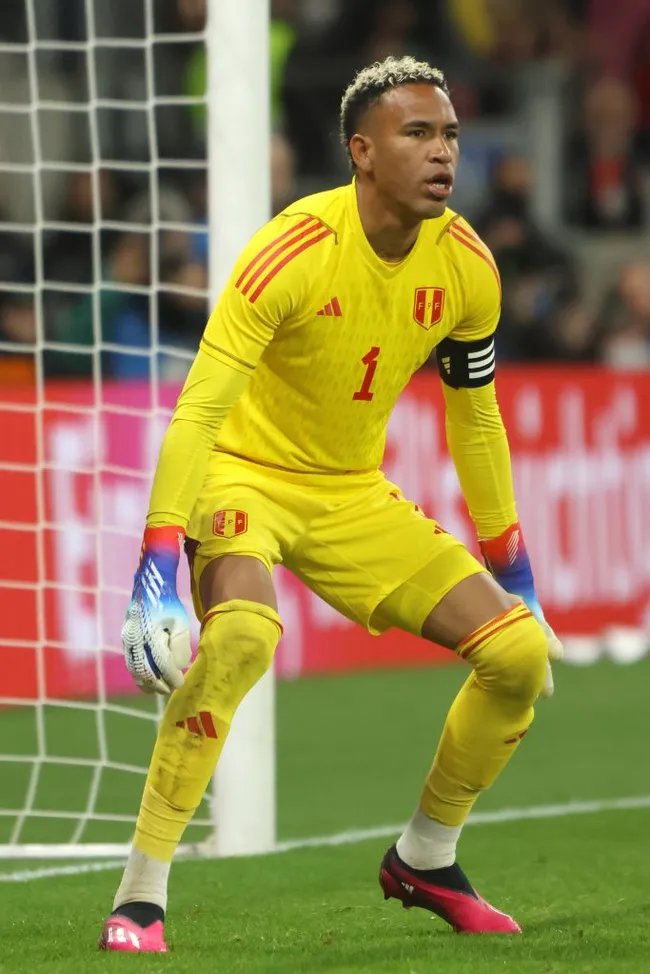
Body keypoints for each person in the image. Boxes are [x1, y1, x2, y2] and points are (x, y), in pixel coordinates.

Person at [99, 55, 562, 953]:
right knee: (239, 638)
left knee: (515, 656)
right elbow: (199, 407)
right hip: (243, 474)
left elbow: (477, 423)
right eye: (416, 133)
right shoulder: (293, 251)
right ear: (362, 150)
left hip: (351, 492)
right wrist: (156, 563)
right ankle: (141, 893)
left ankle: (425, 856)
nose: (442, 153)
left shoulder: (467, 267)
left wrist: (517, 576)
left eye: (450, 135)